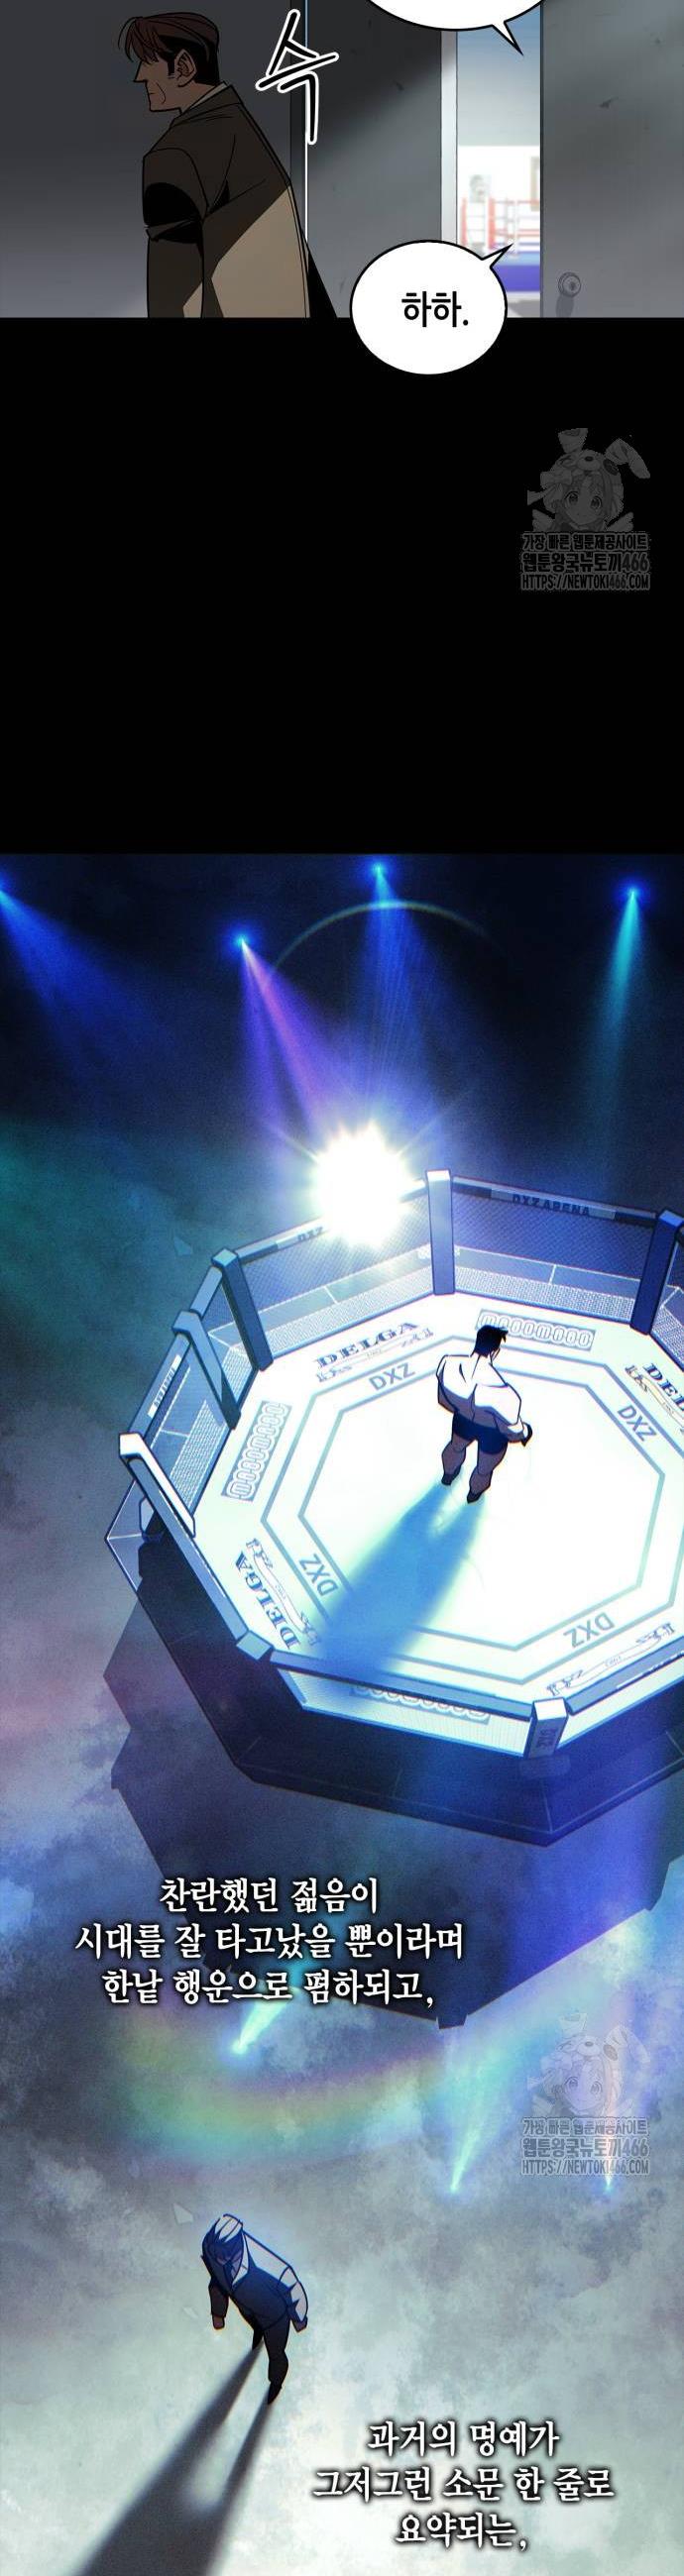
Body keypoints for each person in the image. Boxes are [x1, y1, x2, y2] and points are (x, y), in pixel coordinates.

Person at [120, 12, 336, 317]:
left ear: (183, 67)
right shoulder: (244, 130)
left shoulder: (173, 155)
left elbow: (174, 289)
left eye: (148, 61)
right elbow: (299, 265)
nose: (139, 76)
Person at [201, 2211, 308, 2403]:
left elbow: (292, 2287)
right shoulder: (211, 2250)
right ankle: (257, 2332)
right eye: (215, 2254)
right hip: (245, 2306)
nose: (218, 2260)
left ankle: (276, 2382)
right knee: (254, 2324)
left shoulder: (269, 2265)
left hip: (274, 2317)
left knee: (275, 2354)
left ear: (236, 2245)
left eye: (223, 2255)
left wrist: (299, 2317)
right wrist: (218, 2313)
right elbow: (216, 2281)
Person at [436, 1325, 532, 1503]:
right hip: (492, 1433)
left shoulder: (448, 1364)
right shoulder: (504, 1393)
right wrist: (525, 1432)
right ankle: (473, 1494)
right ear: (495, 1352)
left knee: (455, 1446)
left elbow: (443, 1399)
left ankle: (448, 1475)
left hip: (462, 1420)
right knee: (483, 1469)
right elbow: (512, 1431)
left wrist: (460, 1408)